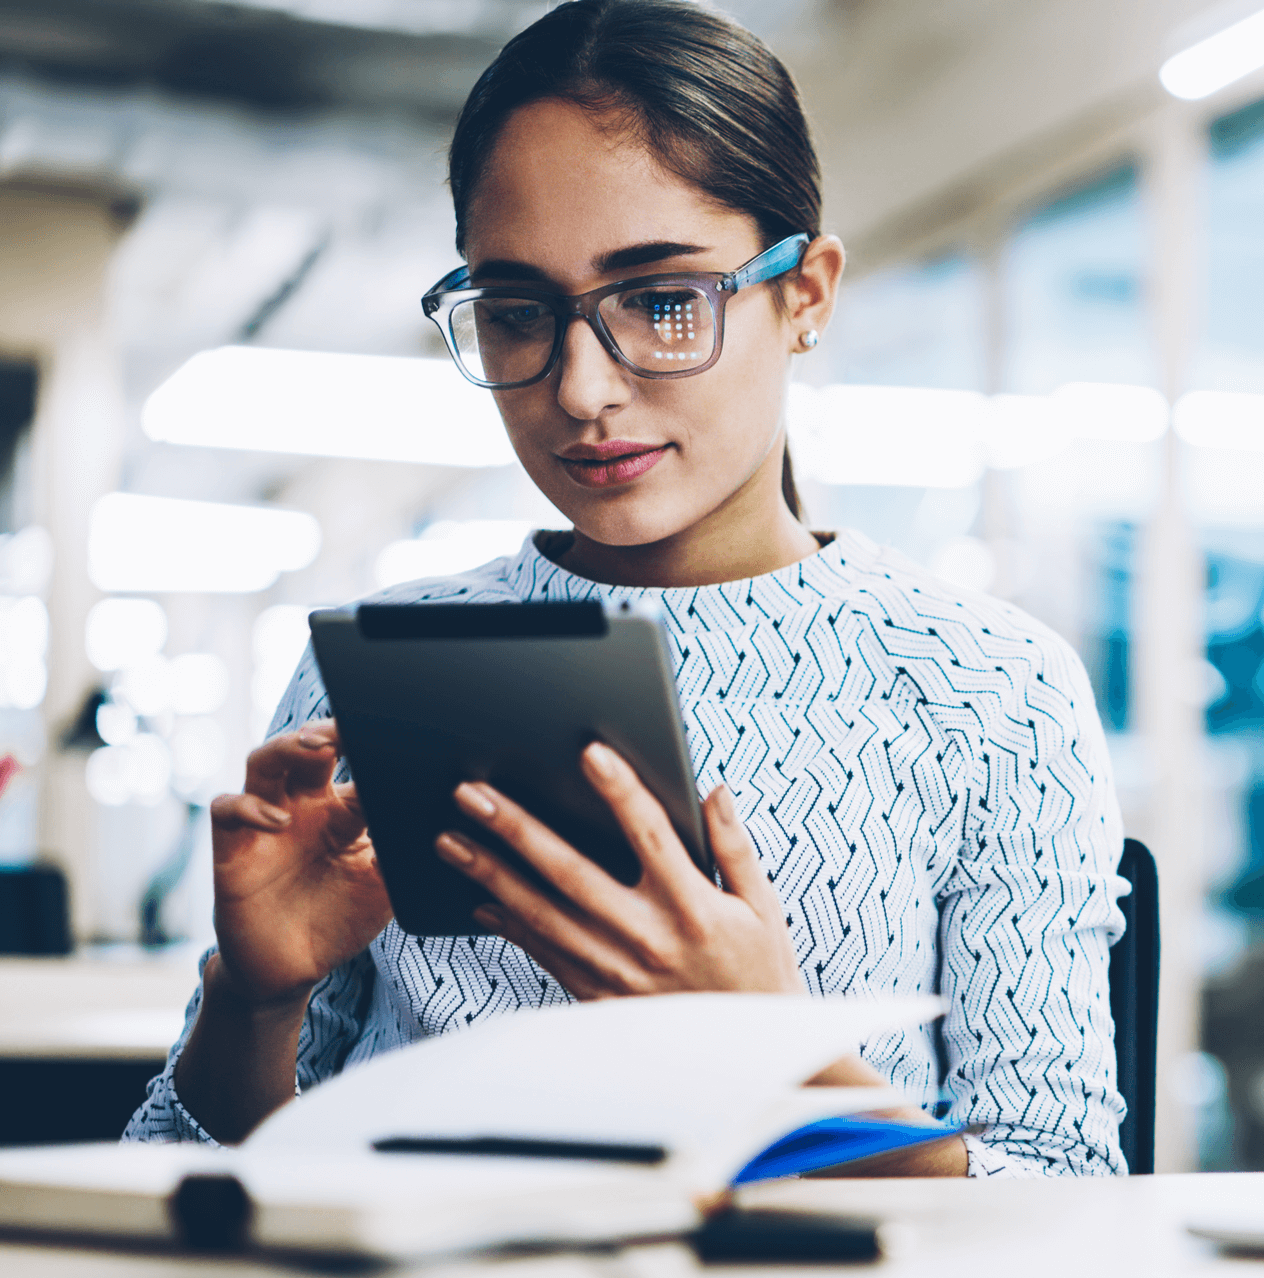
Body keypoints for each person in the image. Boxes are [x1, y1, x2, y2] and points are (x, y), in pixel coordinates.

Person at [126, 0, 1127, 1176]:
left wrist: (773, 1051)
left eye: (659, 302)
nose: (583, 389)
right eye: (515, 313)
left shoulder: (987, 689)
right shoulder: (388, 668)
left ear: (804, 293)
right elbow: (190, 1180)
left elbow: (1063, 1194)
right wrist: (252, 997)